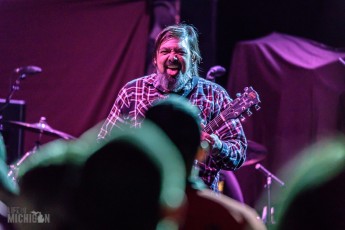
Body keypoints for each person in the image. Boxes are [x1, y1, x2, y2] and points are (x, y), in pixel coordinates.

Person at [97, 23, 247, 192]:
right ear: (155, 59)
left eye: (180, 52)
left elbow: (238, 154)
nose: (172, 57)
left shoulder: (215, 95)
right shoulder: (132, 92)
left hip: (198, 203)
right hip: (141, 200)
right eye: (165, 51)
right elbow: (104, 144)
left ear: (194, 58)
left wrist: (218, 147)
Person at [144, 96, 266, 230]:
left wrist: (219, 146)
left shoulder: (123, 210)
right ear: (201, 152)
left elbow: (238, 154)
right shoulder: (237, 219)